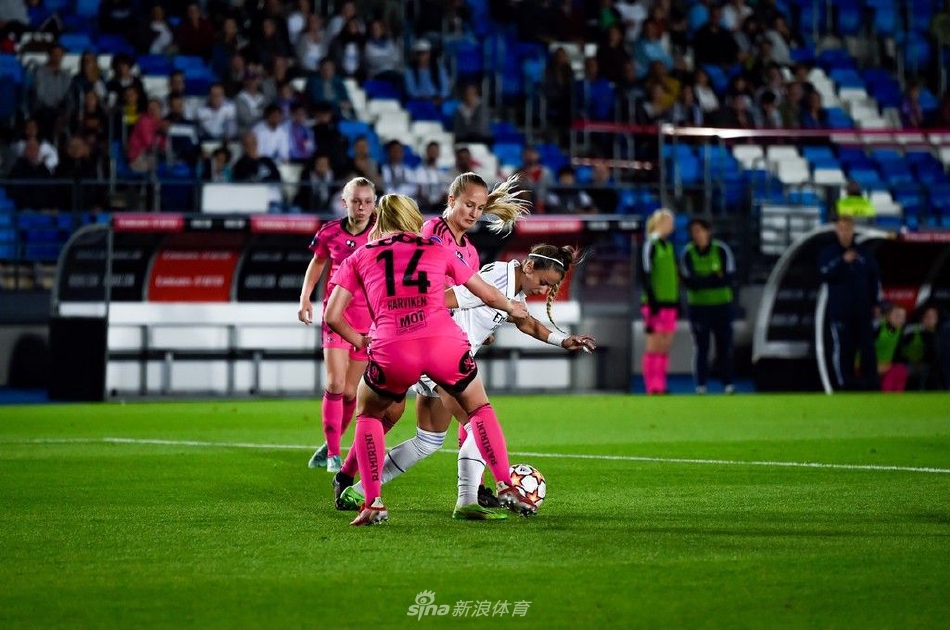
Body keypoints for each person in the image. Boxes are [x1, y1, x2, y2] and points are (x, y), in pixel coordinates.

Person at [336, 244, 596, 519]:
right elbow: (443, 299)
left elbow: (527, 323)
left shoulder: (513, 288)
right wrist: (445, 328)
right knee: (478, 424)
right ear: (529, 266)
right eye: (543, 282)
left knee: (428, 440)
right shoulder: (498, 277)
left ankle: (359, 491)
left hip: (442, 358)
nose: (542, 290)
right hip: (442, 358)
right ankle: (468, 500)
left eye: (548, 287)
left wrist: (563, 340)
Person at [323, 193, 532, 525]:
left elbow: (333, 316)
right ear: (413, 218)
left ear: (379, 220)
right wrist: (511, 307)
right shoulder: (437, 248)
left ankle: (373, 501)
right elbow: (485, 292)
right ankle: (505, 483)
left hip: (393, 348)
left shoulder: (360, 255)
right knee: (479, 408)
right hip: (443, 344)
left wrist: (360, 340)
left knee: (370, 414)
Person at [299, 178, 378, 473]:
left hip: (367, 320)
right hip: (336, 316)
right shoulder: (330, 232)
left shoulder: (381, 233)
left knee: (349, 393)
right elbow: (318, 262)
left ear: (374, 203)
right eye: (356, 201)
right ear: (344, 202)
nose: (362, 207)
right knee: (334, 384)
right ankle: (334, 453)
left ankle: (328, 445)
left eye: (367, 201)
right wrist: (305, 297)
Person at [818, 215, 881, 390]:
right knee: (844, 347)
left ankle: (872, 385)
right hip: (841, 310)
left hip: (863, 310)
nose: (845, 233)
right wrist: (842, 262)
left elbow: (874, 279)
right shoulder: (829, 253)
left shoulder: (864, 253)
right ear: (837, 231)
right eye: (842, 229)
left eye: (848, 229)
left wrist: (875, 303)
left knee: (868, 347)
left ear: (853, 230)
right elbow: (824, 273)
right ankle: (843, 384)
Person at [679, 218, 736, 394]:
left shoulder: (721, 250)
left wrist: (702, 280)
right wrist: (713, 277)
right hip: (698, 307)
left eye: (699, 230)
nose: (696, 235)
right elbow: (690, 282)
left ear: (708, 231)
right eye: (693, 232)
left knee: (724, 346)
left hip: (722, 305)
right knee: (701, 346)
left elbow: (728, 278)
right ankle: (701, 385)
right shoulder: (688, 253)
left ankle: (727, 384)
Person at [640, 208, 678, 395]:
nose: (672, 226)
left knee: (665, 346)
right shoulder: (651, 244)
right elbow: (646, 272)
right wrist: (652, 298)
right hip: (655, 303)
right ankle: (652, 385)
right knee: (654, 345)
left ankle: (661, 384)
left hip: (670, 302)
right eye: (669, 222)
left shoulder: (669, 246)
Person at [901, 305, 943, 390]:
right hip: (910, 364)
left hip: (931, 367)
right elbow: (900, 349)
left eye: (933, 317)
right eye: (927, 316)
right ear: (922, 318)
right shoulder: (911, 330)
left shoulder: (941, 333)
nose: (930, 319)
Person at [874, 303, 908, 392]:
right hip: (870, 365)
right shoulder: (877, 328)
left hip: (888, 366)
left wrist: (888, 365)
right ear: (888, 316)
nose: (900, 319)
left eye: (902, 317)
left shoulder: (902, 332)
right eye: (897, 315)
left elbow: (900, 355)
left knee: (900, 371)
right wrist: (874, 366)